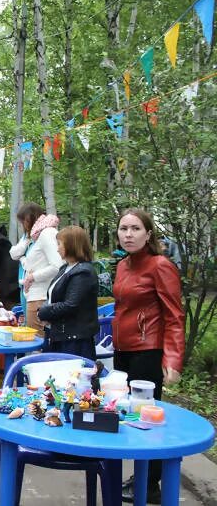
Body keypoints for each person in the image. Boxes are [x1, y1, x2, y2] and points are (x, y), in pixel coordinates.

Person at [113, 209, 184, 504]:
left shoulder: (160, 265)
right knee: (125, 414)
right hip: (122, 349)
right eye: (123, 228)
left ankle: (150, 482)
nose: (128, 234)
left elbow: (175, 315)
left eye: (135, 229)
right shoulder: (122, 265)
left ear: (148, 234)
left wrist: (172, 358)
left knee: (147, 417)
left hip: (147, 349)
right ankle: (136, 476)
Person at [37, 226, 99, 360]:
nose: (57, 248)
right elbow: (54, 297)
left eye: (59, 244)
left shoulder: (83, 272)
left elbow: (70, 305)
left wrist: (44, 312)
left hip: (73, 340)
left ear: (71, 245)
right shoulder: (65, 268)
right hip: (58, 334)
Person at [9, 203, 63, 330]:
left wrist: (33, 276)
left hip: (40, 296)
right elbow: (18, 255)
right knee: (34, 339)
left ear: (30, 218)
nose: (23, 225)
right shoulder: (35, 235)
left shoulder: (47, 233)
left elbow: (57, 266)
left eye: (24, 221)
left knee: (36, 342)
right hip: (33, 295)